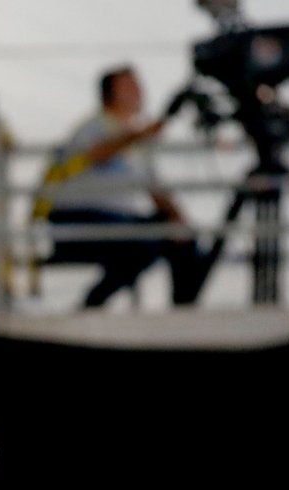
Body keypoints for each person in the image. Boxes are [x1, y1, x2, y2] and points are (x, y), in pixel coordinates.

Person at [35, 65, 208, 308]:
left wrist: (179, 221)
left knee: (178, 237)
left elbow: (156, 189)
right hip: (80, 219)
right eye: (131, 86)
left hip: (117, 221)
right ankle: (92, 304)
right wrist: (138, 135)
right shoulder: (94, 126)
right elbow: (100, 152)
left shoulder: (135, 140)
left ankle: (183, 311)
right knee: (140, 244)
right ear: (111, 92)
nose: (140, 92)